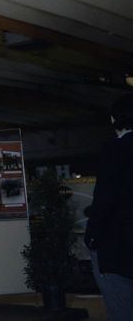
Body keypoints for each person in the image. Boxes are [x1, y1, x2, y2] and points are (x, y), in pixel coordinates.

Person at [85, 94, 132, 321]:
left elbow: (105, 197)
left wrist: (93, 235)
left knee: (120, 305)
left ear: (114, 120)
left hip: (118, 244)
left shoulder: (116, 150)